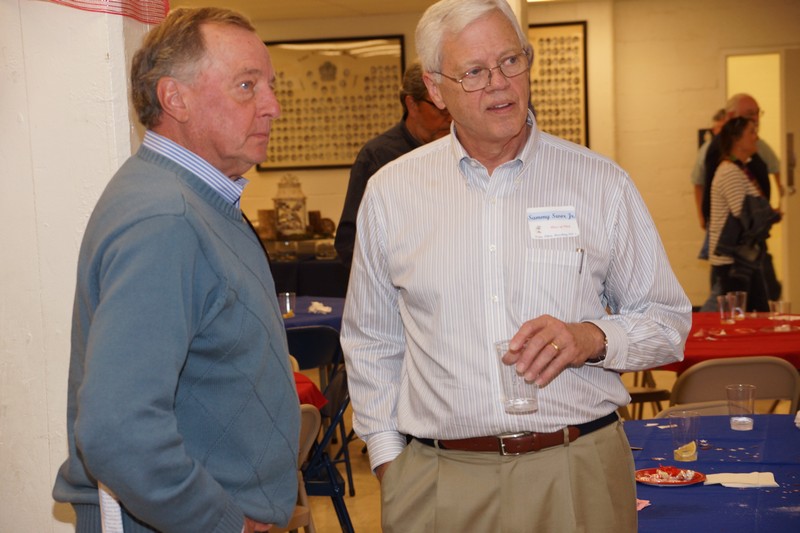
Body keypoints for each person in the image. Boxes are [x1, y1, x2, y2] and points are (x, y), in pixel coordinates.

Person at [341, 1, 691, 531]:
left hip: (578, 470)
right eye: (475, 72)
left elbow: (669, 324)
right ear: (435, 89)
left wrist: (591, 337)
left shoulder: (601, 184)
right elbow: (371, 342)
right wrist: (392, 461)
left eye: (511, 61)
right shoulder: (392, 193)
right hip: (438, 478)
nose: (500, 84)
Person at [52, 8, 299, 532]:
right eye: (246, 86)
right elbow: (118, 429)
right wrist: (223, 522)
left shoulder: (190, 199)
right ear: (175, 99)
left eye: (270, 86)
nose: (273, 107)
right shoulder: (167, 217)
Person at [334, 61, 452, 268]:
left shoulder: (464, 151)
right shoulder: (378, 157)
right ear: (412, 105)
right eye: (440, 109)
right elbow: (350, 242)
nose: (450, 117)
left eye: (453, 106)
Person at [699, 93, 782, 306]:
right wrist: (768, 214)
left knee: (754, 312)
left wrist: (765, 213)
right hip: (733, 262)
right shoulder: (730, 171)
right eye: (751, 132)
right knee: (732, 318)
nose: (756, 136)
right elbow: (745, 216)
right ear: (737, 140)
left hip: (743, 259)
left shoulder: (740, 169)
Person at [691, 107, 726, 229]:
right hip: (714, 214)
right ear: (714, 130)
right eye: (719, 128)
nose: (722, 133)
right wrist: (701, 216)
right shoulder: (706, 151)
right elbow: (698, 183)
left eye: (725, 128)